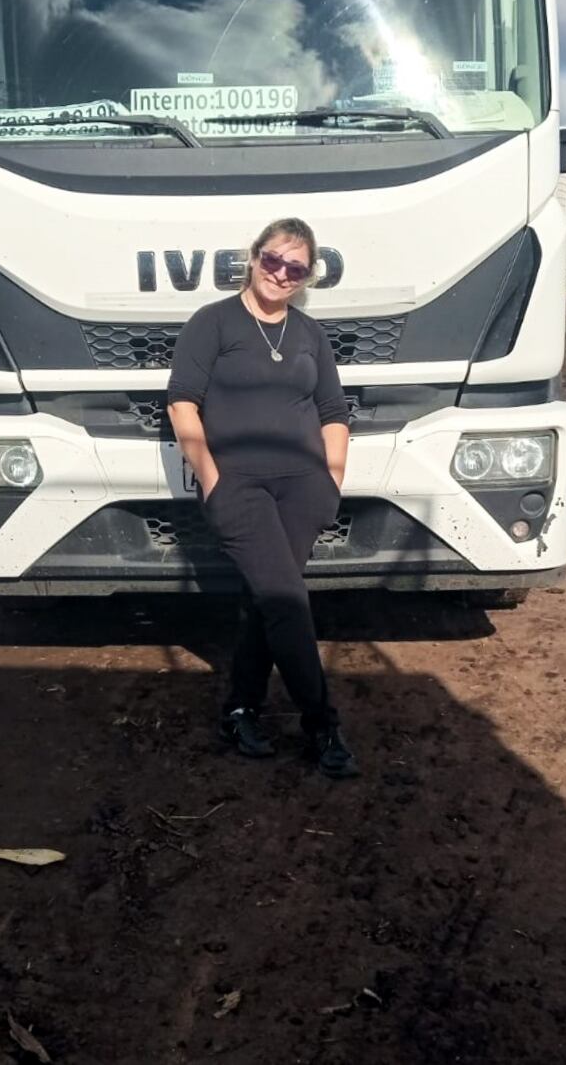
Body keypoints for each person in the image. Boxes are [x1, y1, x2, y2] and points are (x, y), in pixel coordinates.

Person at [166, 218, 358, 778]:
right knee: (286, 600)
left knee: (266, 601)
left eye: (296, 268)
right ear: (253, 258)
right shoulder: (213, 322)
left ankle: (240, 710)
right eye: (273, 260)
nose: (281, 273)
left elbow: (333, 412)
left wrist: (332, 480)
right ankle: (322, 724)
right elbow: (182, 403)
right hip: (239, 486)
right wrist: (212, 479)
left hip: (304, 488)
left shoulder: (309, 334)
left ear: (307, 276)